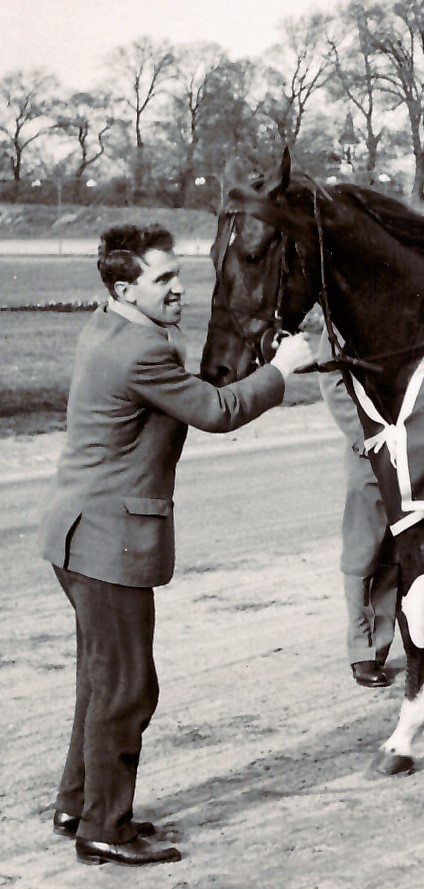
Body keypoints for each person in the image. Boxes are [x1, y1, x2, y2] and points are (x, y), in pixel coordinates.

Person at [39, 224, 314, 867]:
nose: (179, 288)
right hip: (108, 542)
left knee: (100, 681)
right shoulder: (139, 351)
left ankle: (80, 803)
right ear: (124, 287)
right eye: (163, 279)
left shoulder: (111, 328)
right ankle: (104, 829)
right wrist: (281, 370)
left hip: (80, 534)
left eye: (177, 274)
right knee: (128, 688)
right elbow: (217, 410)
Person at [318, 333, 424, 686]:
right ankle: (367, 653)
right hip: (373, 457)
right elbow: (335, 384)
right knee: (370, 556)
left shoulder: (418, 303)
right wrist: (372, 440)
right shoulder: (340, 321)